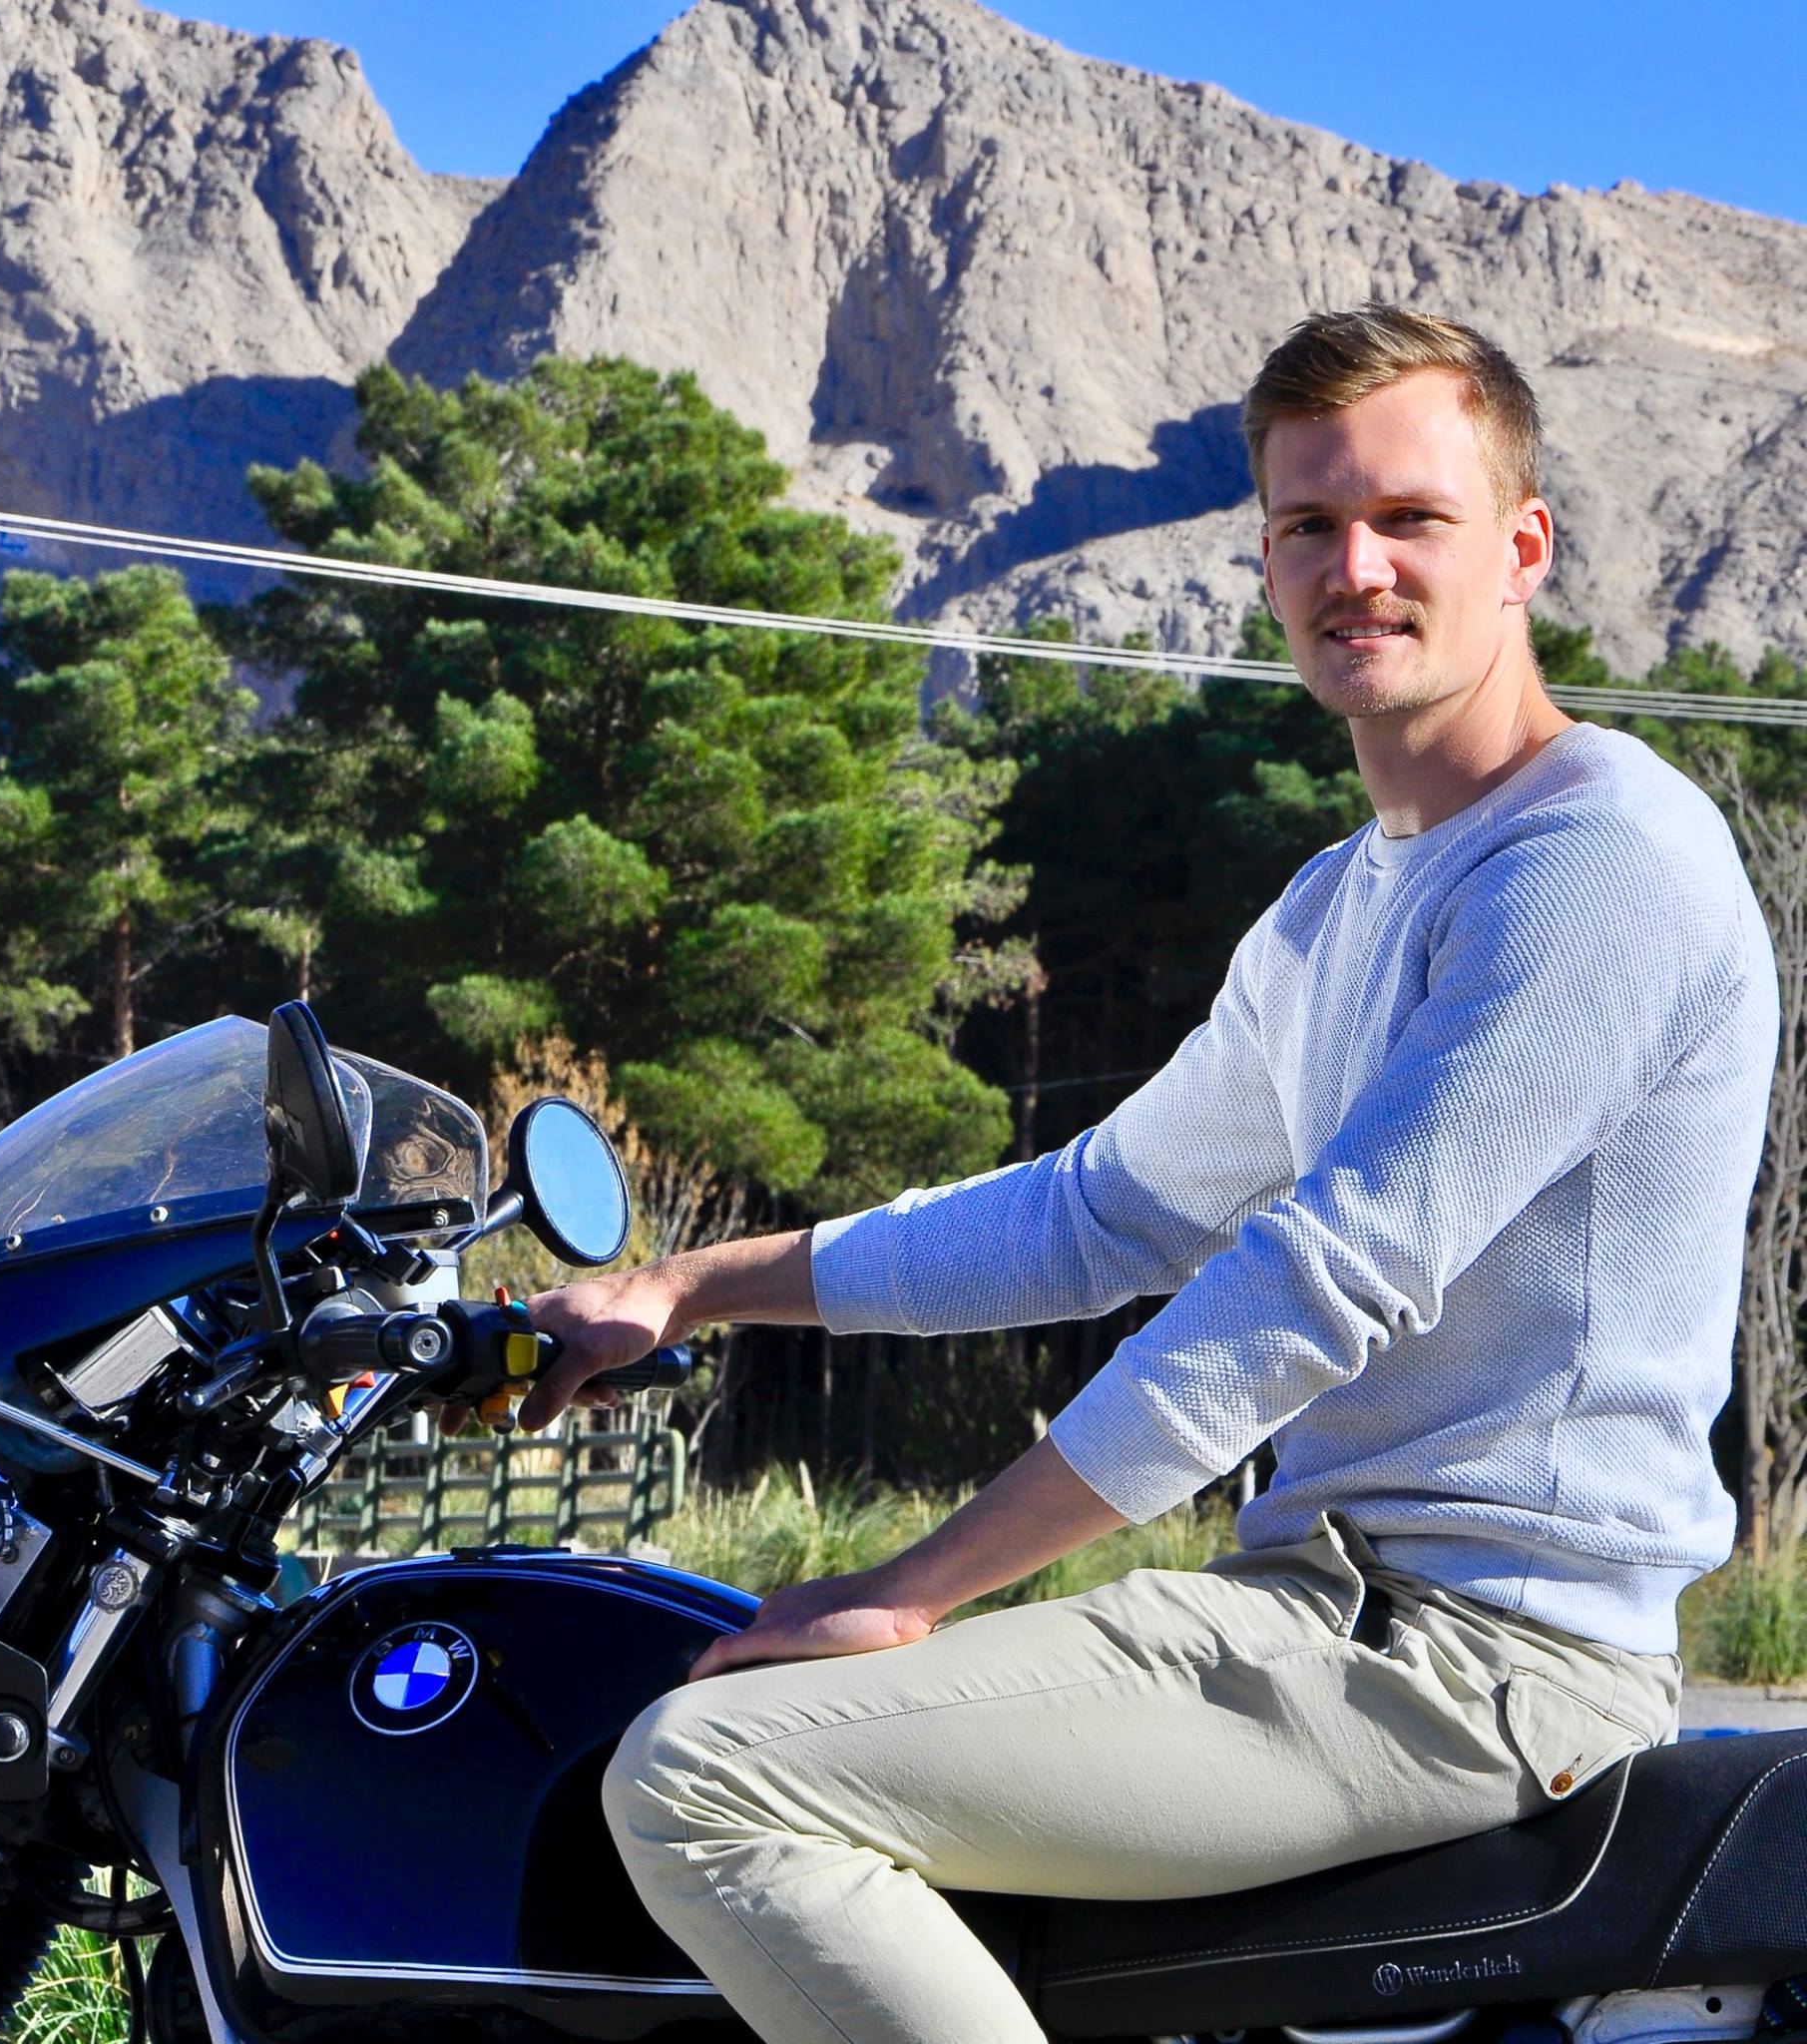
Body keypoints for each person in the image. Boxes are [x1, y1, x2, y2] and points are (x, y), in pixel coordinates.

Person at [512, 304, 1781, 2044]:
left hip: (1472, 1659)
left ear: (1522, 548)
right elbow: (1099, 1210)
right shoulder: (1339, 903)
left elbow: (1324, 1274)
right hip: (1321, 1610)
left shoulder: (1599, 858)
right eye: (1310, 524)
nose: (1358, 568)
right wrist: (690, 1287)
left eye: (1410, 518)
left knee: (706, 1777)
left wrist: (910, 1585)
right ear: (1265, 562)